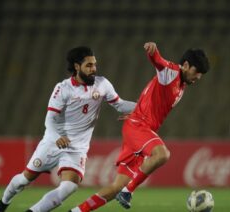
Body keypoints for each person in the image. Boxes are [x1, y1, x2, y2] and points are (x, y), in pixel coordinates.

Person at [69, 41, 210, 212]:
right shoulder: (172, 72)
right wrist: (153, 51)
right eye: (197, 72)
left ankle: (76, 211)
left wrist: (137, 111)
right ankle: (128, 192)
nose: (198, 77)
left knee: (115, 188)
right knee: (162, 154)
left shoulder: (181, 85)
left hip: (139, 127)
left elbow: (151, 98)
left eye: (201, 75)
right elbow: (158, 61)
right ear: (186, 65)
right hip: (139, 127)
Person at [0, 46, 136, 212]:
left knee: (69, 187)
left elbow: (120, 105)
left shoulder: (102, 83)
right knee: (25, 179)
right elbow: (50, 120)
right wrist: (57, 137)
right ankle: (2, 204)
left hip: (78, 147)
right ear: (77, 66)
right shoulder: (63, 88)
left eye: (94, 64)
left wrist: (144, 107)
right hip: (53, 142)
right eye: (89, 65)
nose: (94, 69)